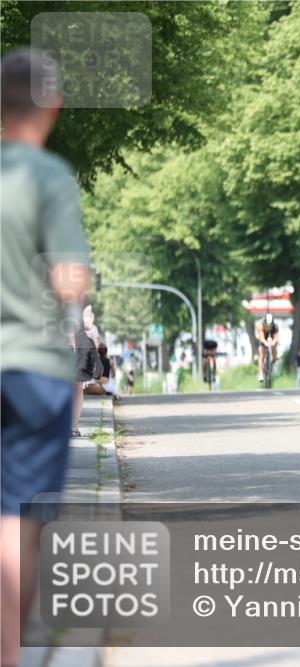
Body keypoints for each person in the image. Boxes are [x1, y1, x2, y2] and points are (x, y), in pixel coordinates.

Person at [1, 48, 90, 667]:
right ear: (53, 106)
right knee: (19, 519)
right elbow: (69, 280)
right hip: (31, 371)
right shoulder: (50, 178)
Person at [256, 313, 279, 382]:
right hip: (263, 337)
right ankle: (260, 374)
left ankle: (273, 363)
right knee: (262, 354)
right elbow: (261, 337)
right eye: (267, 325)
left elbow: (276, 338)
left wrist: (273, 343)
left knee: (274, 348)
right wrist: (265, 343)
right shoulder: (261, 325)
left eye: (270, 326)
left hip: (271, 337)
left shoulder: (275, 326)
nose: (268, 327)